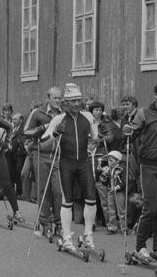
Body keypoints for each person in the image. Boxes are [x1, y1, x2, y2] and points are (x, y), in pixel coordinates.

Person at [122, 81, 157, 260]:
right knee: (150, 208)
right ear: (156, 96)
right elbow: (132, 132)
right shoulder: (144, 112)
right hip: (148, 164)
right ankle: (140, 247)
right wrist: (128, 131)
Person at [39, 83, 101, 250]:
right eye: (72, 101)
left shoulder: (87, 117)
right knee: (67, 200)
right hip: (66, 163)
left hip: (83, 163)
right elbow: (42, 143)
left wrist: (95, 140)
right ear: (65, 103)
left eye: (78, 100)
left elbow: (95, 136)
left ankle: (88, 234)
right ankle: (67, 236)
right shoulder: (58, 119)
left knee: (91, 197)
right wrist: (55, 133)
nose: (76, 104)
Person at [23, 87, 65, 237]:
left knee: (59, 191)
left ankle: (59, 223)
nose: (58, 101)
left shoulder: (64, 114)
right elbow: (26, 132)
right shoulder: (38, 113)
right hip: (40, 153)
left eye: (60, 98)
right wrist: (44, 127)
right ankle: (44, 222)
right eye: (55, 98)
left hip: (59, 155)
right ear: (48, 98)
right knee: (43, 189)